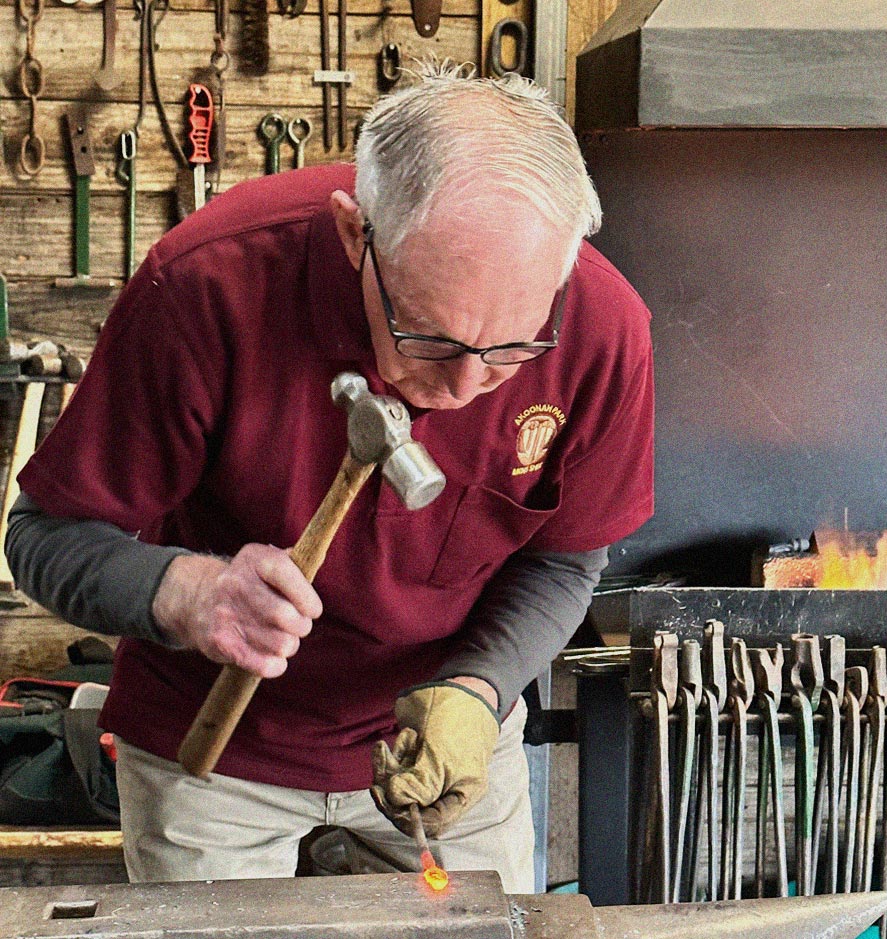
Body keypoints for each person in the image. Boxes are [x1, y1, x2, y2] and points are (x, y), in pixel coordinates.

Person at [5, 62, 654, 892]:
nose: (464, 388)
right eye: (430, 338)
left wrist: (481, 687)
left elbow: (565, 558)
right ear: (356, 234)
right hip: (215, 751)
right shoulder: (206, 287)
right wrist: (184, 591)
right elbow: (42, 535)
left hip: (441, 747)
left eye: (512, 349)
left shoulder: (601, 330)